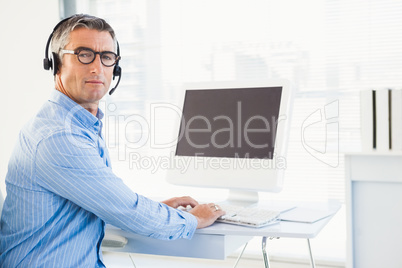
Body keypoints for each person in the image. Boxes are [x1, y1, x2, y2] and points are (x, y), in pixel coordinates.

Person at [0, 14, 225, 267]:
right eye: (84, 54)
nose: (97, 67)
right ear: (56, 64)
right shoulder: (59, 136)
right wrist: (195, 220)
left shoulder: (77, 124)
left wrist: (157, 207)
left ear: (115, 68)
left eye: (106, 57)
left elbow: (102, 201)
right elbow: (127, 210)